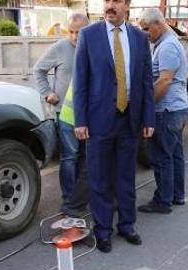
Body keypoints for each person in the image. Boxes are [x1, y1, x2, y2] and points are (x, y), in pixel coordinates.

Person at [73, 0, 155, 253]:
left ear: (127, 5)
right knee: (100, 178)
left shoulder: (140, 38)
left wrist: (148, 118)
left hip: (129, 118)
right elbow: (81, 81)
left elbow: (146, 82)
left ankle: (127, 225)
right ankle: (103, 230)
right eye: (107, 1)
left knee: (125, 176)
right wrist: (81, 120)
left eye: (116, 1)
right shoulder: (89, 35)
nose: (110, 5)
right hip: (99, 120)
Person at [34, 13, 90, 216]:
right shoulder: (60, 47)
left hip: (89, 115)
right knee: (69, 158)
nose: (75, 37)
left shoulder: (92, 47)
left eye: (79, 32)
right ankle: (69, 201)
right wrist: (47, 93)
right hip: (65, 115)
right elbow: (38, 70)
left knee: (86, 158)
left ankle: (81, 198)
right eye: (72, 32)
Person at [137, 8, 188, 214]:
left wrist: (147, 107)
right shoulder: (166, 43)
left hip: (167, 110)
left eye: (146, 28)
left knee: (161, 156)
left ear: (158, 24)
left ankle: (163, 200)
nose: (144, 33)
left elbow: (164, 80)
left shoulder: (167, 46)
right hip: (176, 108)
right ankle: (177, 195)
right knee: (174, 154)